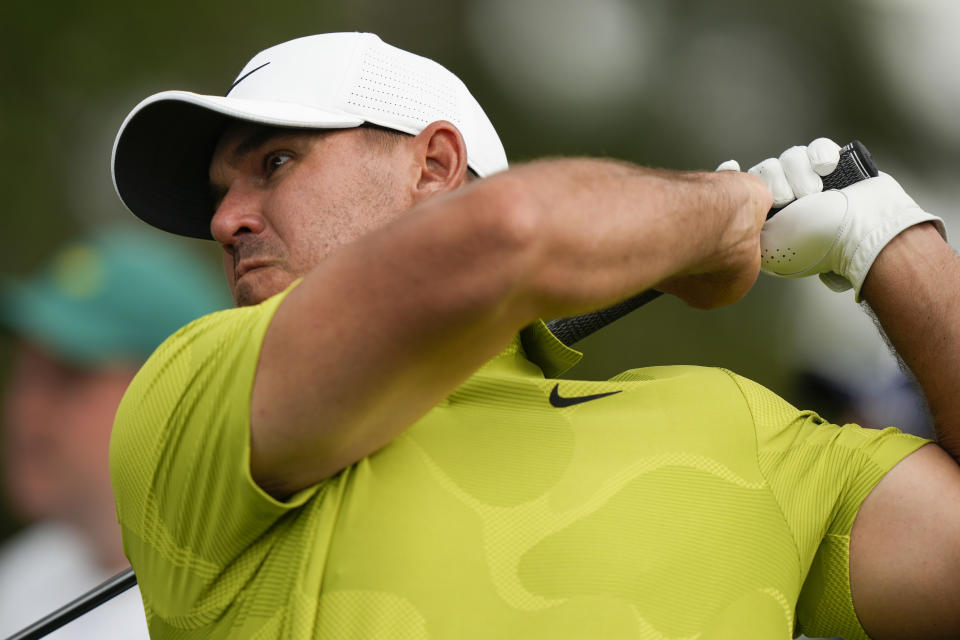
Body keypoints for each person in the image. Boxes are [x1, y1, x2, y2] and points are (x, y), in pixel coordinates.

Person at [108, 32, 960, 639]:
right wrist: (716, 211)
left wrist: (890, 240)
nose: (224, 220)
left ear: (435, 169)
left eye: (276, 163)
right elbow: (509, 233)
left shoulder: (740, 426)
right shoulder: (195, 400)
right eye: (220, 195)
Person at [0, 227, 231, 638]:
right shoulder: (25, 571)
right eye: (26, 375)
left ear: (178, 398)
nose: (26, 411)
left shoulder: (237, 615)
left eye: (68, 378)